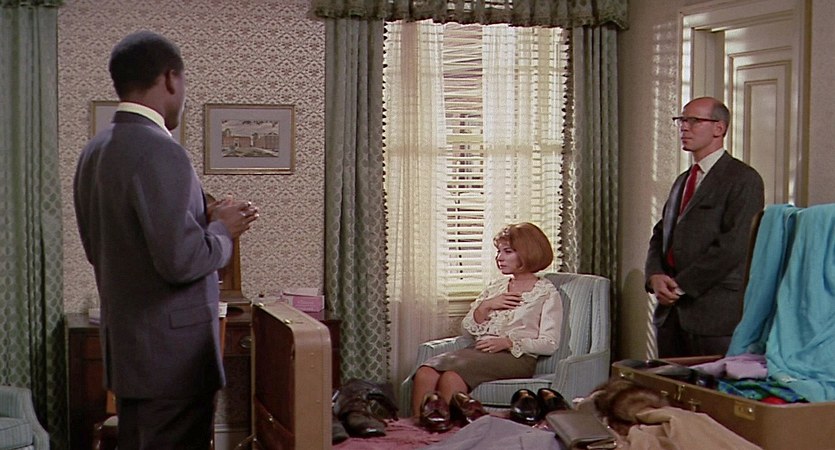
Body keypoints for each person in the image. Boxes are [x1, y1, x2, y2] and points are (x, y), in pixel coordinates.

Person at [73, 31, 259, 449]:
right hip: (172, 362)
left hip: (131, 355)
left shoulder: (95, 151)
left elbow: (106, 247)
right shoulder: (161, 150)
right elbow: (181, 261)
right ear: (171, 78)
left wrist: (201, 220)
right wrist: (223, 230)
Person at [645, 96, 764, 358]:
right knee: (666, 381)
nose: (684, 127)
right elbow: (661, 234)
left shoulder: (743, 179)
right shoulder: (683, 180)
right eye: (682, 120)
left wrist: (680, 286)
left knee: (711, 384)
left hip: (714, 314)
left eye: (694, 120)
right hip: (670, 316)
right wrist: (654, 275)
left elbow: (734, 246)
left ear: (719, 128)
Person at [411, 222, 563, 427]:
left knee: (451, 378)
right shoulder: (496, 287)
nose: (499, 257)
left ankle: (447, 433)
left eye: (507, 251)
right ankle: (416, 430)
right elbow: (467, 329)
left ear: (528, 253)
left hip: (515, 357)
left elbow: (549, 343)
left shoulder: (546, 293)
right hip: (478, 352)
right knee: (425, 372)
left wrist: (509, 342)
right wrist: (486, 306)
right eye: (498, 251)